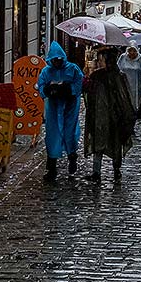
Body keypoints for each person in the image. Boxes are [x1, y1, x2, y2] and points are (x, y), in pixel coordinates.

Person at [84, 47, 137, 183]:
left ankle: (111, 170)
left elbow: (123, 97)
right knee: (101, 143)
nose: (99, 62)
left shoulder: (117, 76)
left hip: (112, 117)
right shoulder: (99, 76)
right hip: (102, 116)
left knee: (111, 143)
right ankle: (101, 171)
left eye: (101, 60)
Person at [37, 40, 83, 182]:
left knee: (69, 133)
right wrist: (49, 90)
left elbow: (79, 83)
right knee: (53, 135)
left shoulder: (73, 69)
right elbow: (41, 86)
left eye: (59, 60)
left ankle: (72, 156)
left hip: (69, 106)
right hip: (54, 107)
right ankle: (52, 167)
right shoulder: (46, 71)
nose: (57, 62)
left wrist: (68, 90)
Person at [118, 41, 141, 116]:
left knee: (136, 97)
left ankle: (137, 110)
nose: (132, 53)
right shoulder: (123, 57)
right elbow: (118, 68)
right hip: (125, 83)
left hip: (137, 83)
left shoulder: (140, 58)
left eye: (134, 50)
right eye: (130, 50)